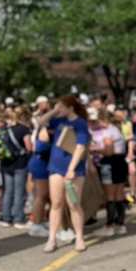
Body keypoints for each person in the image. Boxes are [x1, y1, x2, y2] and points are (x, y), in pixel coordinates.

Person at [41, 95, 90, 254]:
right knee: (56, 204)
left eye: (62, 107)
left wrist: (72, 168)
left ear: (71, 107)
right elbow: (40, 122)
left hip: (74, 170)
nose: (58, 110)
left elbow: (81, 147)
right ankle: (52, 239)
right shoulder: (58, 121)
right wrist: (54, 110)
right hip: (55, 167)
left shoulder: (80, 123)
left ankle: (80, 237)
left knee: (74, 204)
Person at [90, 110, 127, 237]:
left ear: (102, 120)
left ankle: (109, 226)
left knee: (110, 196)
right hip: (121, 161)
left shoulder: (107, 132)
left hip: (110, 162)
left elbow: (109, 151)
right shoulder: (116, 129)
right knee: (119, 194)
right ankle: (121, 224)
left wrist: (95, 150)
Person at [0, 106, 32, 229]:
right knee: (19, 192)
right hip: (20, 164)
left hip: (6, 164)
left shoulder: (4, 129)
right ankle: (18, 218)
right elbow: (29, 147)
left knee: (8, 191)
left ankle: (6, 218)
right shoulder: (24, 129)